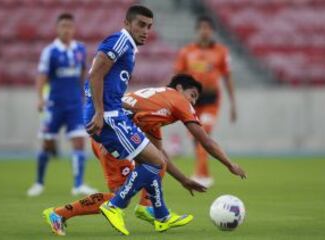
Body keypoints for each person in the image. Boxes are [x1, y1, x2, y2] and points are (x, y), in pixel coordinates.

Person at [42, 74, 246, 236]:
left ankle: (155, 212)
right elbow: (205, 140)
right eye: (192, 95)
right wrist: (229, 164)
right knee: (118, 196)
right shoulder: (176, 100)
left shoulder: (157, 108)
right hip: (110, 136)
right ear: (179, 89)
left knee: (154, 163)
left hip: (111, 133)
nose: (192, 102)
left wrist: (184, 180)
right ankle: (58, 214)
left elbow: (160, 157)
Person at [27, 13, 97, 197]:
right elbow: (41, 76)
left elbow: (83, 71)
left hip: (75, 104)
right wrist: (40, 98)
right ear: (57, 28)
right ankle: (39, 182)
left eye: (69, 26)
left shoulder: (80, 49)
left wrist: (84, 93)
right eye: (63, 25)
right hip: (54, 104)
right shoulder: (50, 51)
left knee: (79, 142)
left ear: (74, 29)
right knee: (47, 144)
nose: (66, 29)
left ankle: (78, 184)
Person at [174, 16, 237, 187]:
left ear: (213, 31)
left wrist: (233, 104)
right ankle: (205, 174)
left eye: (208, 27)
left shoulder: (221, 52)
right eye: (201, 27)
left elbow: (227, 77)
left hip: (211, 100)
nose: (204, 30)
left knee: (204, 134)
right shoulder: (186, 52)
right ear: (197, 30)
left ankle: (201, 175)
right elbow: (177, 77)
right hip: (191, 101)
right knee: (196, 138)